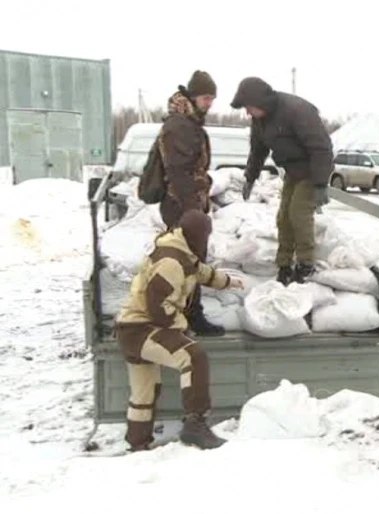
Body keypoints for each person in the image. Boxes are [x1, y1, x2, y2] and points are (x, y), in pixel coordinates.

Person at [114, 211, 243, 451]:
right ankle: (196, 424)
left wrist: (228, 282)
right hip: (142, 330)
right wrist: (181, 330)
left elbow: (200, 272)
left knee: (144, 393)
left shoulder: (181, 253)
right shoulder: (171, 262)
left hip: (131, 329)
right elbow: (158, 309)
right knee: (193, 357)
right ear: (197, 236)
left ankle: (137, 444)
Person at [231, 77, 334, 285]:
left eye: (249, 107)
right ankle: (284, 264)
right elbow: (258, 150)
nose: (248, 113)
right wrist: (250, 177)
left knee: (298, 214)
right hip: (292, 172)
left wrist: (320, 184)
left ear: (260, 102)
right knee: (284, 217)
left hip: (311, 170)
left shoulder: (297, 111)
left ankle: (306, 264)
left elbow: (321, 147)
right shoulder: (260, 120)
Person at [159, 70, 225, 336]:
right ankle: (188, 317)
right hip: (182, 206)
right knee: (186, 262)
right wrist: (192, 212)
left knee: (188, 261)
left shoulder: (188, 123)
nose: (210, 103)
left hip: (187, 204)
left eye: (212, 99)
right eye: (206, 98)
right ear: (193, 97)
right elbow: (177, 172)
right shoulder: (179, 126)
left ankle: (186, 314)